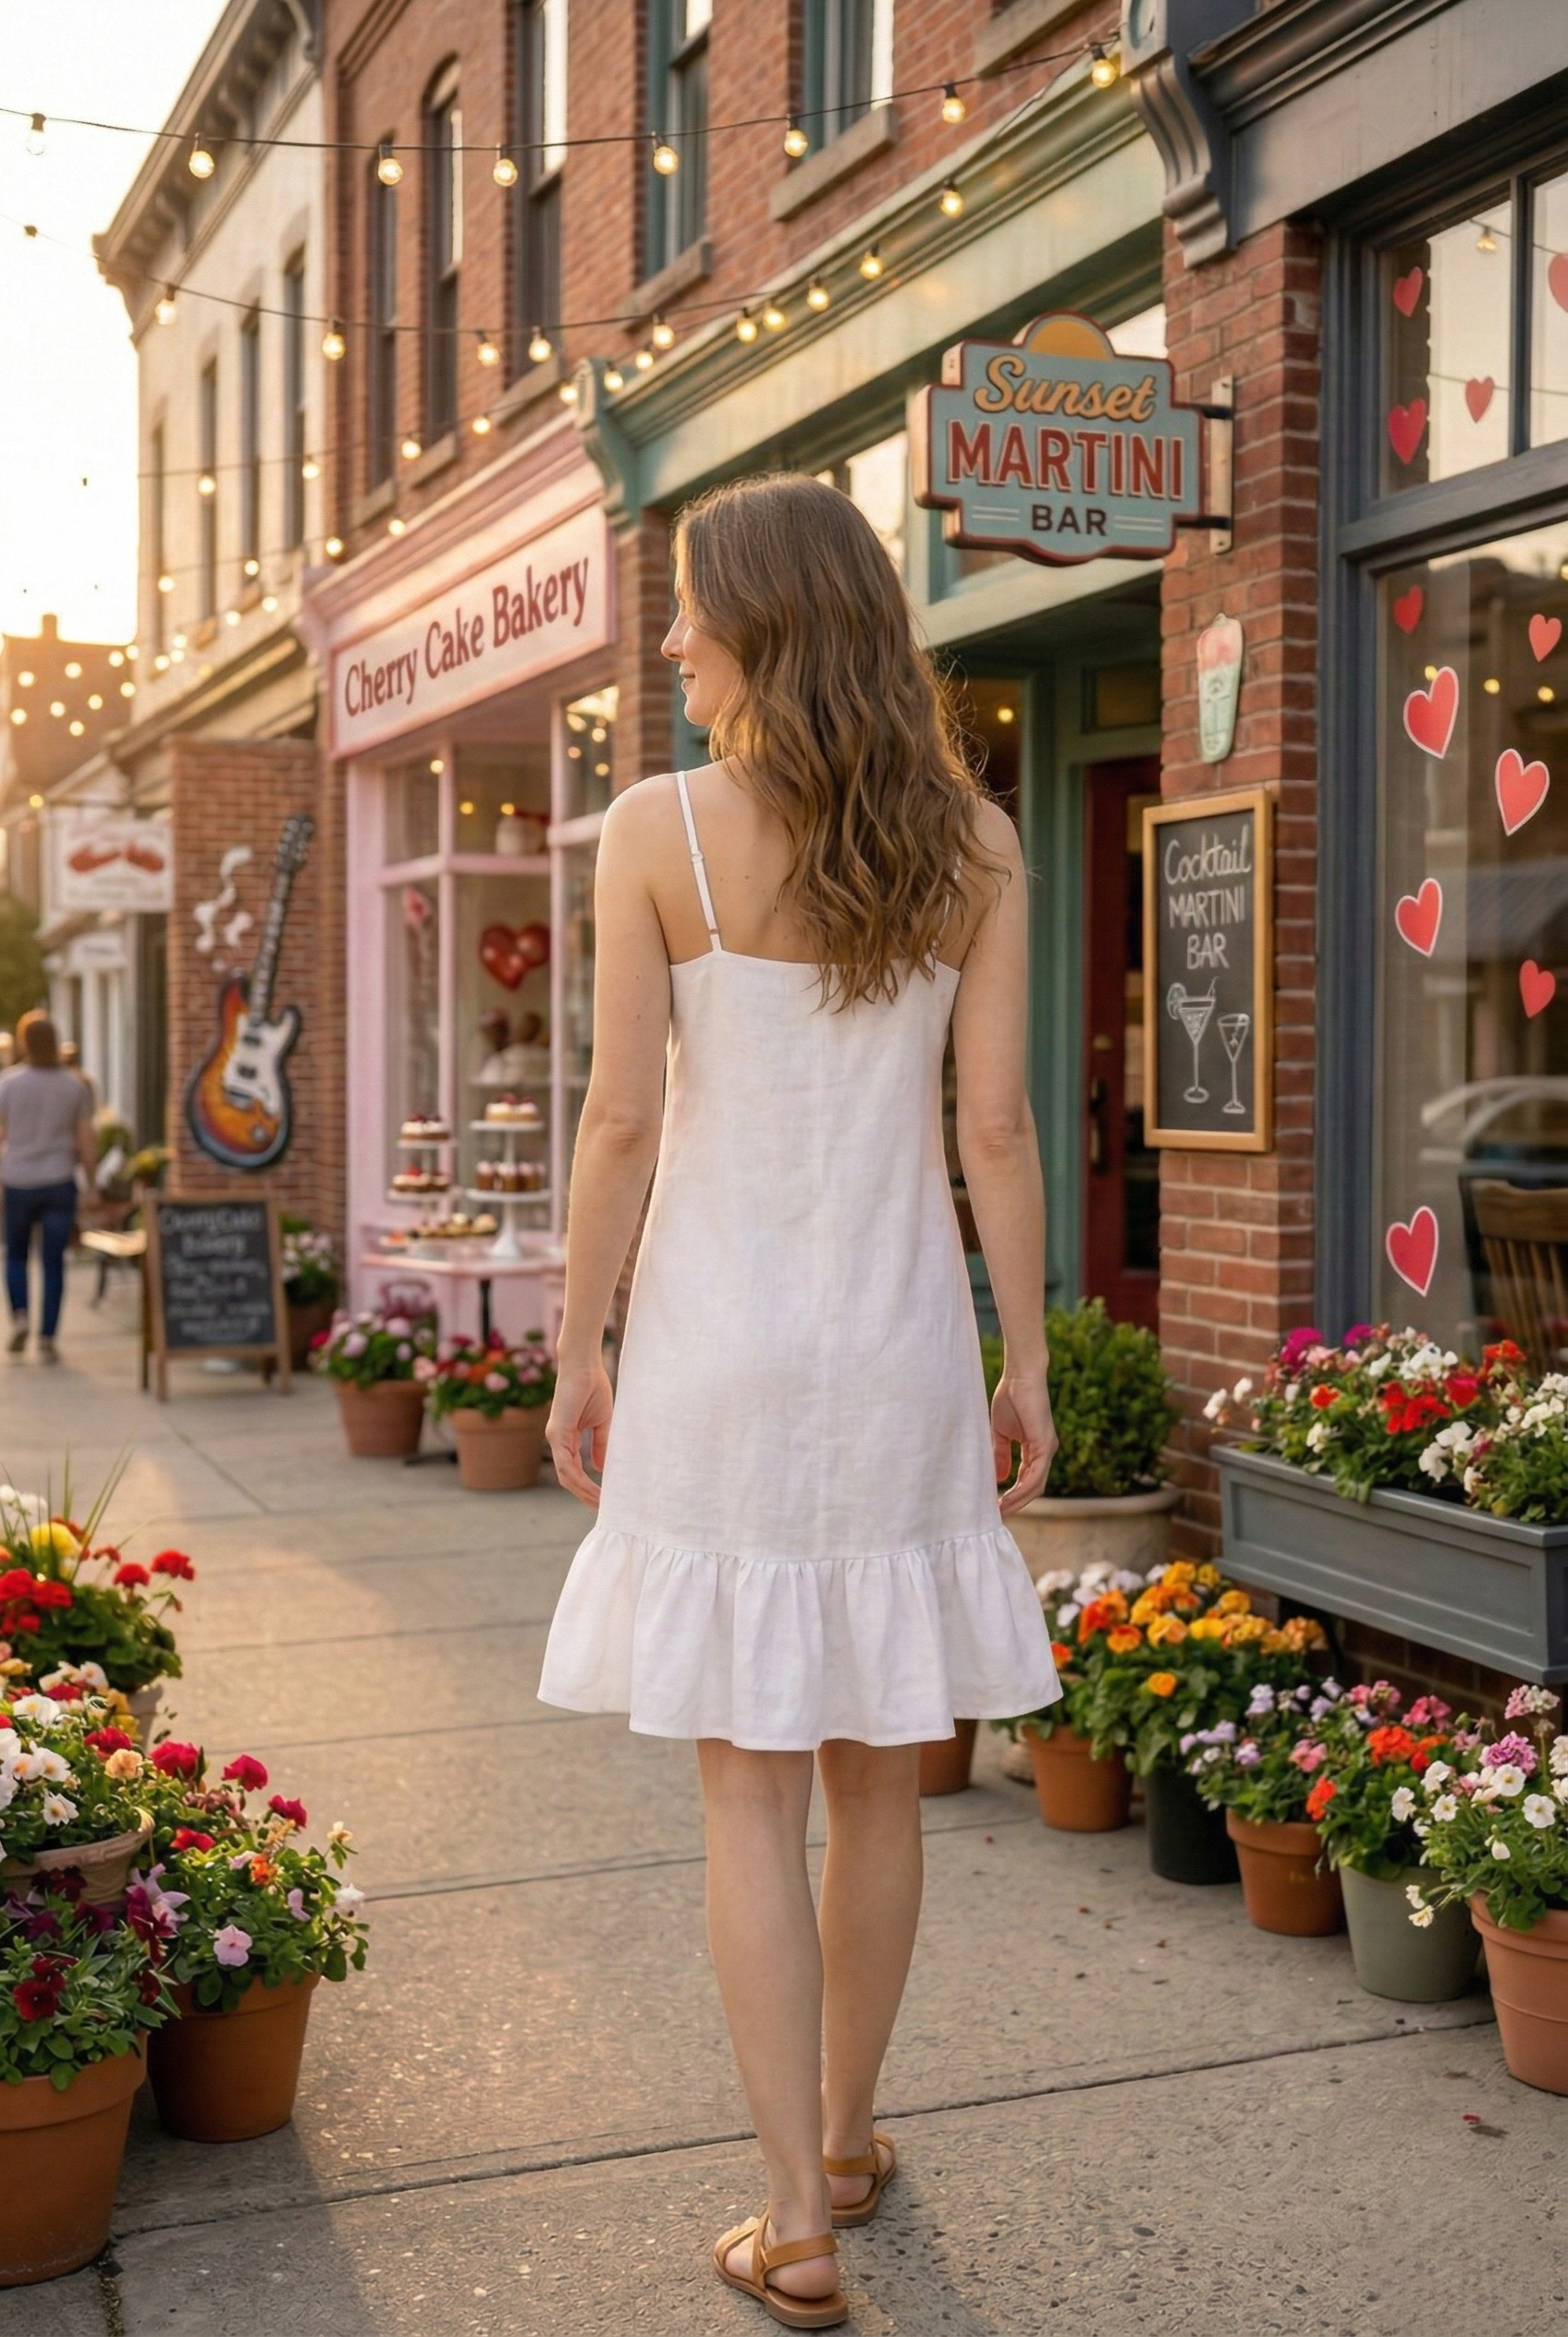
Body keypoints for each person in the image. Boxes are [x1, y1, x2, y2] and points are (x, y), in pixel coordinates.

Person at [538, 473, 1060, 2328]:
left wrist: (575, 1340)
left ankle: (794, 2214)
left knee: (745, 1794)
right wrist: (1029, 1356)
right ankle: (842, 2136)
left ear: (762, 619)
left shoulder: (653, 829)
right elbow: (991, 1129)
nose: (667, 641)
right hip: (904, 1342)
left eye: (686, 610)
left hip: (717, 1347)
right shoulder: (976, 846)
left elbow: (615, 1121)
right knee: (878, 1771)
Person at [0, 1010, 97, 1362]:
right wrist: (92, 1182)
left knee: (15, 1255)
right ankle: (47, 1337)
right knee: (54, 1261)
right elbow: (86, 1138)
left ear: (25, 1042)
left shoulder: (8, 1084)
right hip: (58, 1180)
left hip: (17, 1180)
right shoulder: (74, 1085)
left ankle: (21, 1316)